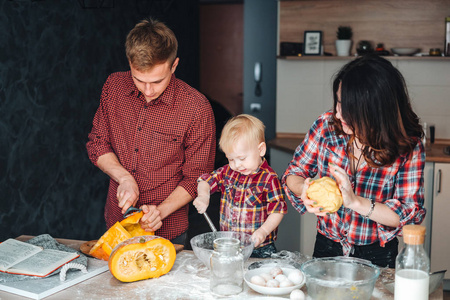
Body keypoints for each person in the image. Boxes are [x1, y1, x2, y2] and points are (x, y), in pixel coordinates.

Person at [282, 54, 425, 268]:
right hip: (326, 247)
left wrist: (355, 202)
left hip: (377, 254)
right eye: (338, 103)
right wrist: (304, 188)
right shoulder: (325, 126)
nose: (338, 114)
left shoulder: (408, 146)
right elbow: (294, 172)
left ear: (374, 111)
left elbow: (409, 215)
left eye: (347, 108)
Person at [86, 18, 216, 246]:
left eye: (157, 81)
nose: (148, 90)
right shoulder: (113, 87)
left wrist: (161, 212)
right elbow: (98, 143)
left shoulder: (196, 107)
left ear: (174, 65)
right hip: (117, 224)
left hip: (169, 230)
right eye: (139, 80)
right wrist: (124, 178)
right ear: (129, 63)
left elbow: (198, 177)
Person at [193, 114, 287, 258]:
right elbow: (205, 181)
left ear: (261, 150)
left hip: (259, 248)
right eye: (231, 159)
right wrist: (203, 196)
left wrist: (263, 231)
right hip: (230, 244)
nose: (237, 165)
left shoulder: (269, 179)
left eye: (242, 158)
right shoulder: (227, 172)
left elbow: (277, 211)